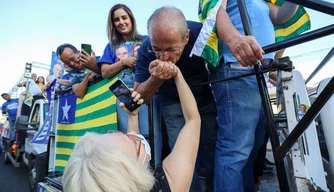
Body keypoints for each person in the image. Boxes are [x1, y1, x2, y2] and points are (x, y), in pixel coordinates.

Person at [201, 0, 301, 191]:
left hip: (257, 73)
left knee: (251, 148)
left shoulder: (261, 1)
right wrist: (234, 39)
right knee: (235, 150)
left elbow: (282, 16)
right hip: (238, 68)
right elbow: (214, 9)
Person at [63, 67, 201, 192]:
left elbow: (132, 151)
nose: (133, 136)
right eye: (134, 142)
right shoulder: (169, 184)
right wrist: (177, 73)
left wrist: (132, 116)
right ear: (130, 170)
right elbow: (192, 120)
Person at [134, 6, 218, 192]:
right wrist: (156, 77)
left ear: (186, 37)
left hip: (203, 99)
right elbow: (139, 96)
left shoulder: (200, 33)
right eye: (157, 49)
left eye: (171, 49)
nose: (164, 57)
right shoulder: (145, 49)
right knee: (182, 154)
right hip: (172, 102)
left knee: (211, 147)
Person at [97, 4, 148, 135]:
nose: (121, 22)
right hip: (121, 89)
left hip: (146, 86)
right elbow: (105, 72)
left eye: (124, 18)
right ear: (112, 24)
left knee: (149, 131)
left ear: (131, 19)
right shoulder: (111, 46)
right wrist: (124, 62)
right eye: (116, 19)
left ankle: (150, 157)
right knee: (129, 133)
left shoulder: (147, 40)